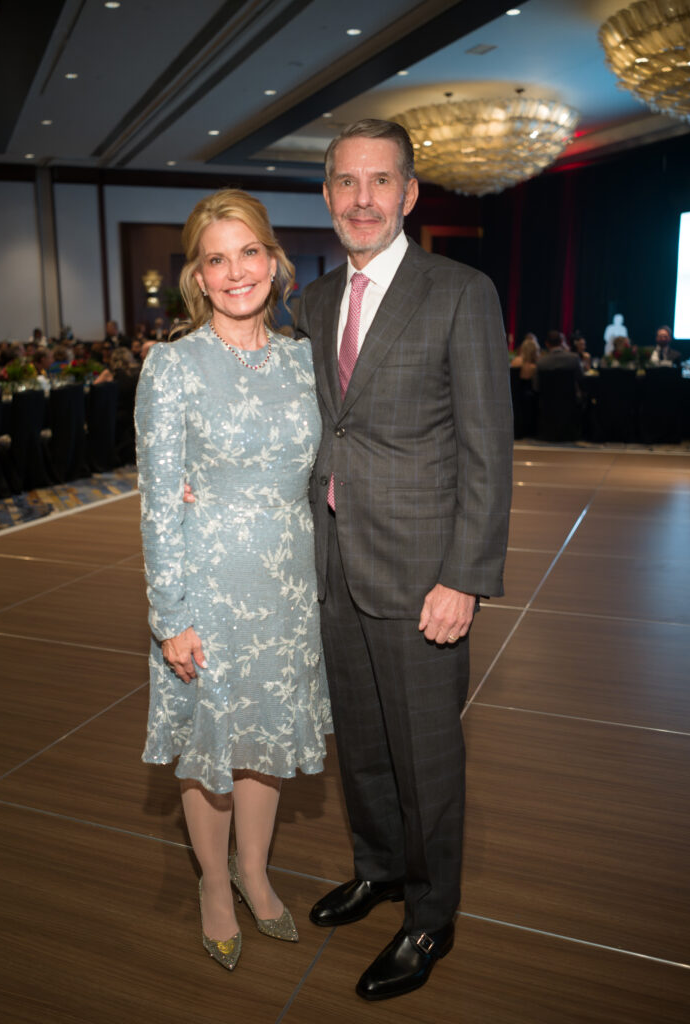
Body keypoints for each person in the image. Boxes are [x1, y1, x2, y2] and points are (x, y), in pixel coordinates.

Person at [295, 119, 513, 1001]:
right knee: (364, 746)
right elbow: (310, 430)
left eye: (381, 181)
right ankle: (379, 866)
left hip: (425, 574)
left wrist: (464, 575)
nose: (362, 199)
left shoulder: (459, 292)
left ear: (410, 193)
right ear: (326, 196)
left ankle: (430, 915)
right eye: (346, 183)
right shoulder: (310, 303)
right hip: (335, 567)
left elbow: (487, 451)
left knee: (426, 756)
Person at [135, 189, 332, 972]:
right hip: (207, 590)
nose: (236, 270)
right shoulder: (174, 367)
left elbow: (334, 452)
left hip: (289, 587)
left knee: (266, 739)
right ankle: (215, 882)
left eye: (248, 251)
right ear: (198, 277)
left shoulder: (304, 358)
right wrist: (169, 617)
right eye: (216, 258)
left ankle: (256, 869)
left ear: (275, 260)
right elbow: (157, 504)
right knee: (212, 749)